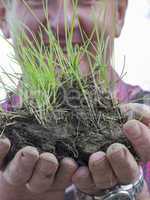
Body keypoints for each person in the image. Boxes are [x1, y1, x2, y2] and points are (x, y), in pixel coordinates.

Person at [0, 0, 150, 199]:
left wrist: (129, 192)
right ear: (3, 16)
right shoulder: (6, 132)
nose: (63, 24)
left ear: (119, 13)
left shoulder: (142, 123)